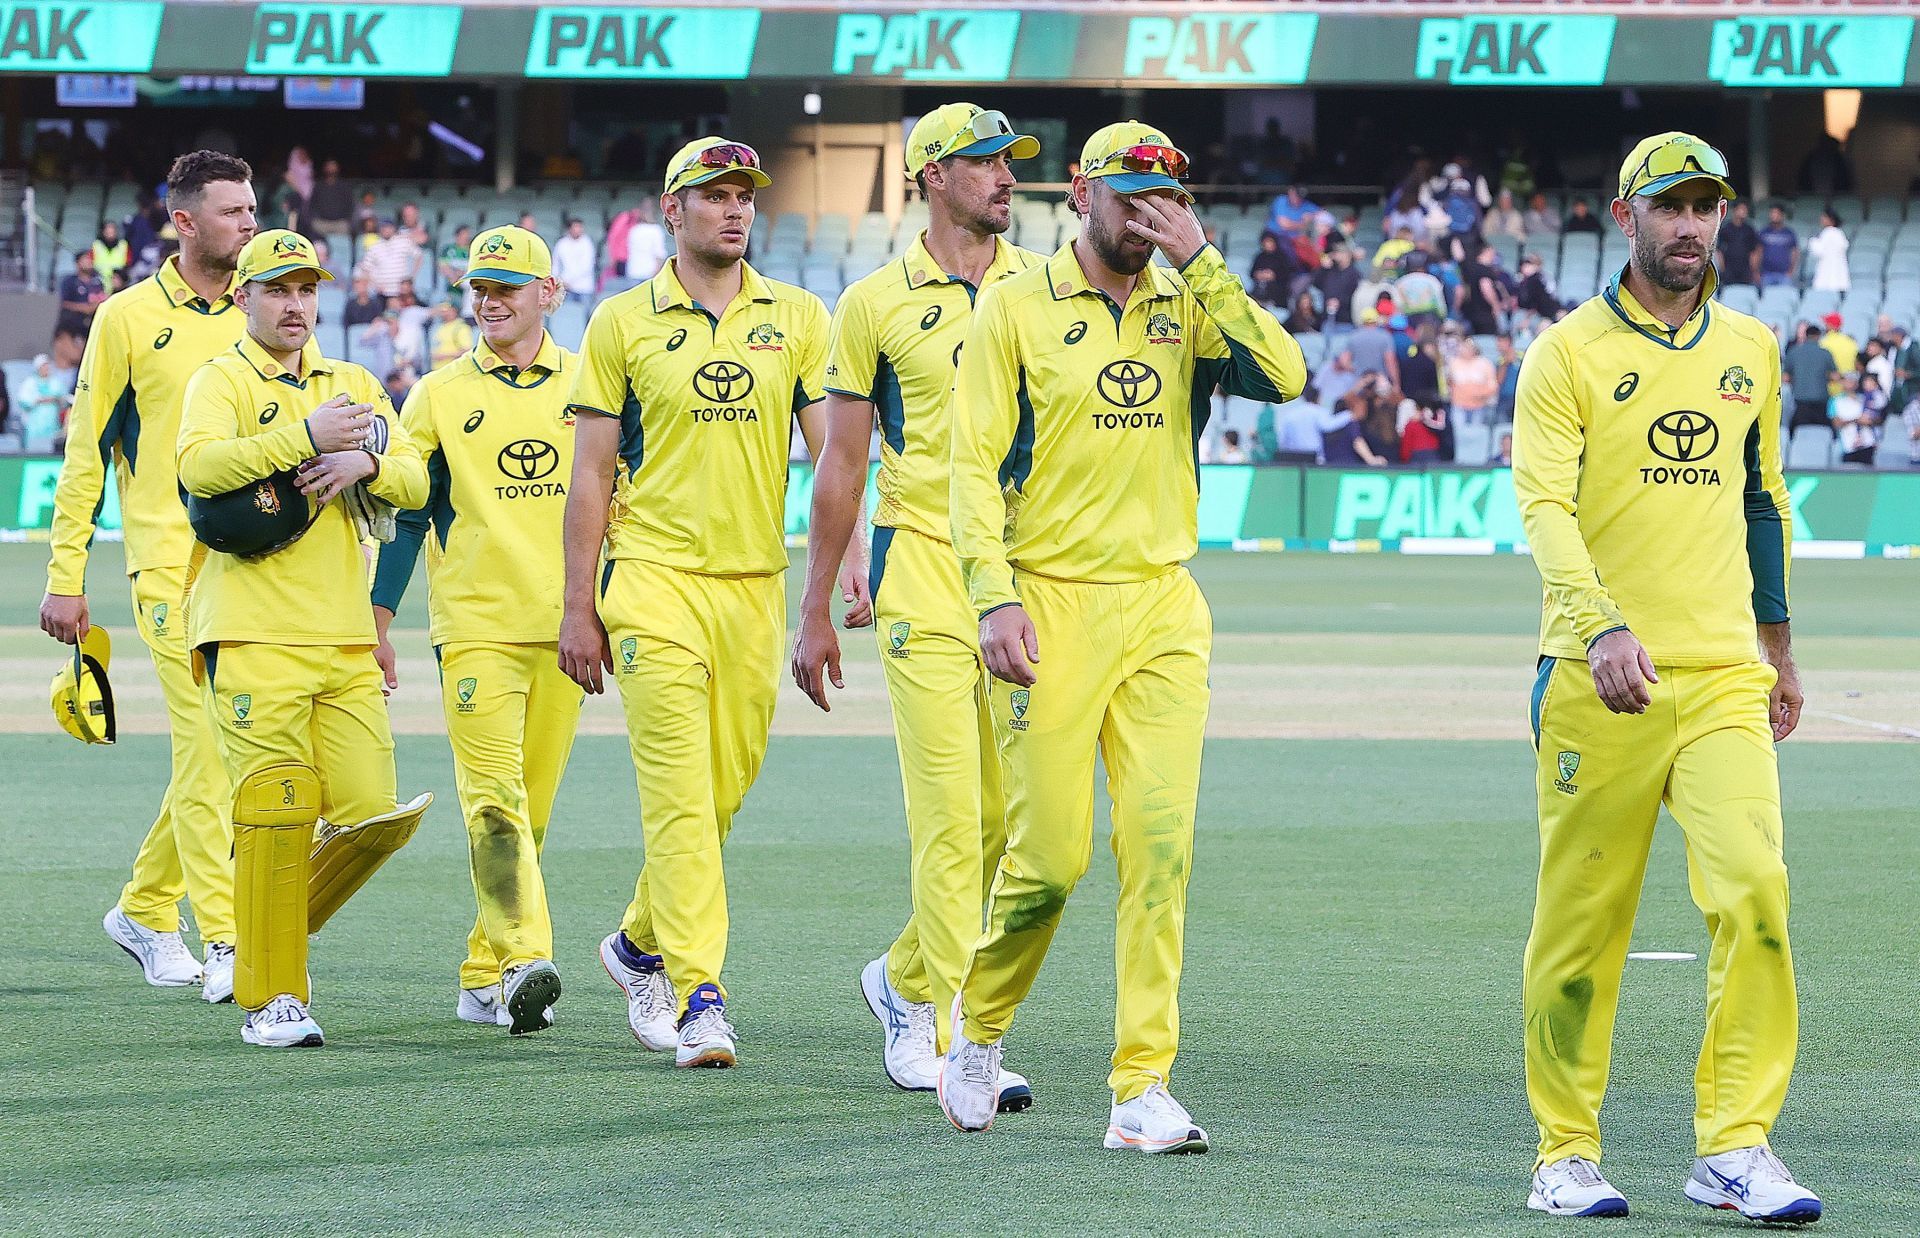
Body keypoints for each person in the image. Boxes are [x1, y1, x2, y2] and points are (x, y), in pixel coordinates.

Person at [941, 120, 1305, 1151]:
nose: (1149, 209)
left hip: (1162, 606)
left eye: (1167, 193)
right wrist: (992, 595)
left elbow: (1285, 377)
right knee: (1048, 859)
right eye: (1130, 191)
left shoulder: (1187, 299)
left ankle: (1140, 1084)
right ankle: (980, 1026)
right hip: (1047, 602)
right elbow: (970, 470)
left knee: (1160, 849)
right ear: (1079, 193)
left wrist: (1203, 261)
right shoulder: (1013, 306)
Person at [1513, 131, 1819, 1224]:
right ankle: (1565, 1149)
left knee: (1756, 895)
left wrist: (1778, 646)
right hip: (1599, 679)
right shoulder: (1567, 354)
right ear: (1625, 214)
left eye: (1707, 206)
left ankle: (1735, 1143)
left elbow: (1762, 498)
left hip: (1726, 674)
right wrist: (1598, 627)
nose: (1691, 225)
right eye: (1671, 206)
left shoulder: (1752, 346)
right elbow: (1544, 506)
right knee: (1583, 921)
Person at [561, 138, 835, 1071]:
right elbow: (590, 475)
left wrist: (839, 578)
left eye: (743, 195)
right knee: (679, 796)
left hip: (753, 588)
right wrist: (578, 607)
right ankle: (698, 993)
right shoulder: (621, 324)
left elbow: (832, 456)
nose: (733, 209)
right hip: (651, 585)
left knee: (721, 792)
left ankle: (636, 943)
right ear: (668, 210)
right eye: (711, 195)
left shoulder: (796, 316)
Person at [791, 102, 1039, 1104]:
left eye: (1010, 162)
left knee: (1002, 828)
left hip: (1021, 580)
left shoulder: (1048, 286)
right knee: (949, 820)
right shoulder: (874, 304)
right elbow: (841, 461)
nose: (1006, 177)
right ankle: (955, 1037)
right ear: (933, 175)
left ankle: (899, 981)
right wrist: (817, 602)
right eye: (985, 162)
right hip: (924, 573)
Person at [177, 228, 432, 1047]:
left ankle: (258, 934)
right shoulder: (219, 379)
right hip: (250, 635)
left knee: (372, 815)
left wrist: (366, 467)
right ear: (244, 296)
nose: (295, 305)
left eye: (306, 290)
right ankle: (272, 997)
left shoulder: (353, 381)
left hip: (343, 638)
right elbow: (201, 471)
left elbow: (418, 476)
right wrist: (309, 438)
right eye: (278, 289)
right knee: (277, 816)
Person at [39, 151, 257, 1001]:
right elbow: (84, 450)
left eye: (252, 209)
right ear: (184, 221)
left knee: (221, 750)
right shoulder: (127, 317)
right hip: (166, 565)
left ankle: (143, 907)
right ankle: (228, 939)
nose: (248, 222)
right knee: (207, 747)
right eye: (233, 211)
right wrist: (66, 576)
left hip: (250, 570)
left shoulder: (264, 309)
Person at [371, 225, 582, 1036]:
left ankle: (479, 975)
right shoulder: (437, 393)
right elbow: (411, 512)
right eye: (479, 290)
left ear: (548, 294)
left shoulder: (592, 382)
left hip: (568, 634)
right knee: (493, 805)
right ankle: (528, 958)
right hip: (476, 634)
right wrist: (378, 620)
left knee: (531, 819)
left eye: (507, 288)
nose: (490, 303)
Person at [1783, 324, 1837, 435]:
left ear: (1806, 335)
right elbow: (1834, 376)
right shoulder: (1825, 353)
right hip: (1821, 400)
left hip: (1800, 401)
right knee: (1823, 433)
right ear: (1818, 336)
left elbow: (1786, 377)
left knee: (1798, 433)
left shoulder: (1793, 352)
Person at [15, 353, 70, 452]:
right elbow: (23, 400)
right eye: (43, 366)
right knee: (35, 448)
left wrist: (54, 399)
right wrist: (38, 400)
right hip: (35, 425)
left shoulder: (56, 382)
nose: (46, 368)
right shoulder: (30, 382)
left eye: (47, 365)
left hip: (52, 423)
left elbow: (64, 399)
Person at [358, 219, 423, 298]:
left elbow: (419, 256)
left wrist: (412, 276)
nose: (385, 230)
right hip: (382, 292)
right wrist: (375, 285)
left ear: (393, 228)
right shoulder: (374, 247)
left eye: (388, 227)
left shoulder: (404, 242)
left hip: (402, 291)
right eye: (383, 228)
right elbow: (366, 269)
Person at [1446, 336, 1497, 425]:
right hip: (1459, 406)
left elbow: (1493, 385)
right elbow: (1449, 384)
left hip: (1479, 406)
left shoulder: (1484, 363)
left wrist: (1480, 395)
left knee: (1477, 432)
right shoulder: (1453, 363)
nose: (1466, 350)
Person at [58, 248, 108, 336]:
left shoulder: (97, 282)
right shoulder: (69, 281)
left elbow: (101, 298)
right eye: (86, 259)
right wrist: (84, 308)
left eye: (90, 259)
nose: (89, 262)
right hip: (73, 323)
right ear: (77, 263)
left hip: (93, 324)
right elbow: (64, 303)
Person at [552, 217, 598, 305]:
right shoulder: (561, 244)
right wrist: (559, 282)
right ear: (569, 229)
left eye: (580, 227)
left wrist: (568, 281)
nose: (578, 230)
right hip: (565, 288)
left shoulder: (587, 243)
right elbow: (556, 265)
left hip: (584, 287)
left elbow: (587, 267)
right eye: (575, 227)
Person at [1803, 208, 1849, 293]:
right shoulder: (1840, 233)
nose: (1821, 219)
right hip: (1838, 277)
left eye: (1824, 217)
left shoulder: (1828, 233)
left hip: (1827, 275)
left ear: (1831, 219)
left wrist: (1812, 241)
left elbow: (1819, 251)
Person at [1315, 244, 1361, 329]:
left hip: (1345, 319)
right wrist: (1323, 268)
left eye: (1338, 253)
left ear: (1347, 254)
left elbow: (1354, 293)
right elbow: (1316, 283)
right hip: (1327, 318)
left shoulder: (1354, 274)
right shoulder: (1329, 271)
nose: (1335, 255)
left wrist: (1340, 301)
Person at [623, 201, 668, 285]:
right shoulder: (656, 230)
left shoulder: (633, 229)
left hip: (634, 272)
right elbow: (659, 255)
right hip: (647, 273)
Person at [1716, 200, 1760, 286]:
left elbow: (1754, 251)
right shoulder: (1726, 229)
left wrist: (1753, 270)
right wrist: (1723, 269)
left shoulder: (1749, 230)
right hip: (1729, 269)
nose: (1744, 212)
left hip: (1745, 269)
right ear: (1734, 210)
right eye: (1741, 209)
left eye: (1745, 210)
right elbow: (1719, 251)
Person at [1756, 205, 1798, 288]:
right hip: (1766, 274)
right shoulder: (1764, 232)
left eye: (1776, 213)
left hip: (1784, 275)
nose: (1774, 215)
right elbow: (1758, 252)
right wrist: (1757, 272)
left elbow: (1794, 252)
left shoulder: (1789, 233)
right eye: (1772, 213)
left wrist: (1791, 271)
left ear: (1782, 215)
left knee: (1784, 298)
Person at [309, 159, 354, 235]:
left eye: (333, 166)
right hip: (321, 223)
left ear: (337, 168)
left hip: (339, 223)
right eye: (329, 166)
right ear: (325, 168)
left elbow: (350, 204)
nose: (331, 168)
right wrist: (315, 217)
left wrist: (347, 219)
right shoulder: (318, 186)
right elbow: (312, 203)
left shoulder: (344, 186)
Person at [427, 298, 473, 370]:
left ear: (454, 311)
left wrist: (445, 355)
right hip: (437, 370)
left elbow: (467, 350)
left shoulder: (461, 327)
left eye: (447, 311)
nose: (444, 314)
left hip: (453, 370)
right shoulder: (439, 327)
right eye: (442, 311)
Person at [92, 221, 131, 287]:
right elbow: (90, 262)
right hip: (100, 283)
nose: (110, 234)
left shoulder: (123, 245)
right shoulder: (96, 245)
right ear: (103, 232)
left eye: (112, 232)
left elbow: (129, 263)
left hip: (118, 284)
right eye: (108, 232)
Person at [436, 224, 473, 290]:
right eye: (464, 234)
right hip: (450, 278)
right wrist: (453, 275)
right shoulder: (448, 249)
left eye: (467, 234)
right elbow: (442, 266)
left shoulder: (472, 250)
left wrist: (461, 273)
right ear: (457, 236)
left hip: (466, 278)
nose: (466, 237)